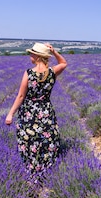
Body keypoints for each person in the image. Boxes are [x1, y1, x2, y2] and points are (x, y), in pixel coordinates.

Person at [6, 42, 67, 176]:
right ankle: (47, 170)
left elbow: (21, 96)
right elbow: (63, 63)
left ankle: (31, 170)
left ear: (38, 56)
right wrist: (54, 51)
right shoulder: (52, 72)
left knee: (28, 140)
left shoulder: (28, 74)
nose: (30, 56)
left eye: (32, 54)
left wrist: (10, 114)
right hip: (45, 111)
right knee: (48, 140)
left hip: (29, 113)